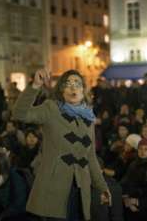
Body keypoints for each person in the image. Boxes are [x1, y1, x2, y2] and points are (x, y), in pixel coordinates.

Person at [13, 69, 110, 220]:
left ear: (83, 90)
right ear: (61, 89)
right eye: (68, 84)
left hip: (80, 189)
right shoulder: (51, 108)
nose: (73, 87)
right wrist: (34, 87)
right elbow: (19, 114)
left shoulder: (88, 117)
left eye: (77, 84)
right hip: (54, 188)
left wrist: (102, 187)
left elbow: (90, 157)